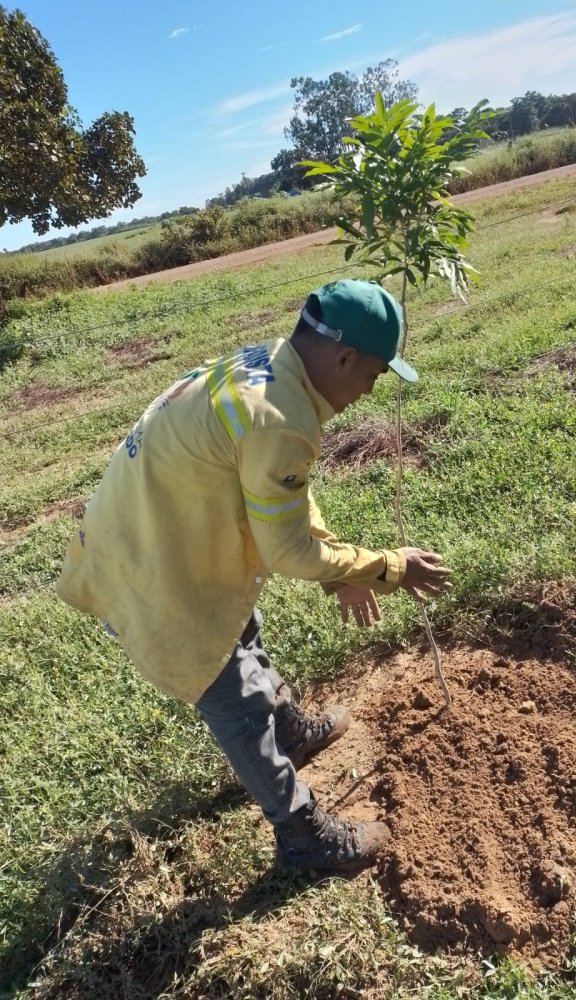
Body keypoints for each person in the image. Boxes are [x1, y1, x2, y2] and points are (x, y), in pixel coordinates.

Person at [56, 278, 452, 873]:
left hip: (154, 532)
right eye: (373, 375)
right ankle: (303, 836)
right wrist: (385, 568)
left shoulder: (271, 367)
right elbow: (287, 549)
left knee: (240, 625)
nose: (369, 391)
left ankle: (288, 727)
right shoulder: (281, 417)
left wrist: (334, 562)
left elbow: (283, 498)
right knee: (232, 696)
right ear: (344, 358)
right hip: (153, 569)